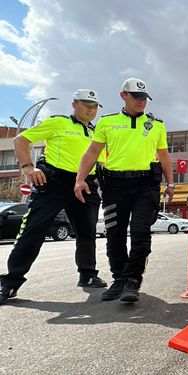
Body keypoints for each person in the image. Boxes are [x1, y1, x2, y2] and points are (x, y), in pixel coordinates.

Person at [1, 90, 108, 304]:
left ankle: (87, 274)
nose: (91, 109)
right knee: (34, 229)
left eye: (95, 106)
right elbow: (21, 140)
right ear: (74, 104)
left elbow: (104, 161)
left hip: (85, 183)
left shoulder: (97, 133)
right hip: (54, 182)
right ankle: (10, 282)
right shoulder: (57, 123)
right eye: (87, 104)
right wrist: (28, 167)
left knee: (87, 233)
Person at [74, 78, 174, 304]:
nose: (141, 102)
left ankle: (132, 280)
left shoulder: (156, 124)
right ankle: (119, 278)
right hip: (114, 185)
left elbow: (165, 156)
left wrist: (170, 183)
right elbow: (91, 153)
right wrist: (80, 179)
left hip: (146, 184)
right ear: (123, 96)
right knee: (115, 234)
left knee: (140, 231)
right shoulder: (107, 122)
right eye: (136, 98)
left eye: (144, 99)